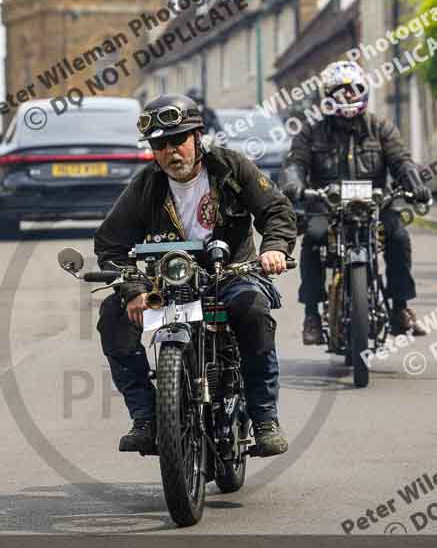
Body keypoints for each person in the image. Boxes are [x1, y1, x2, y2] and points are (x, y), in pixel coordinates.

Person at [94, 93, 297, 456]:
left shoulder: (231, 167)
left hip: (233, 276)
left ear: (197, 136)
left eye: (177, 141)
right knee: (113, 315)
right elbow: (110, 244)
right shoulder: (145, 186)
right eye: (159, 145)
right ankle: (145, 417)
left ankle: (264, 417)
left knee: (252, 309)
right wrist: (134, 288)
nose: (170, 151)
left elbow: (277, 210)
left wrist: (275, 248)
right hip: (169, 286)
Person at [280, 60, 432, 345]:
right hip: (328, 206)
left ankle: (400, 308)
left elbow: (402, 161)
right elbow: (295, 162)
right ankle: (312, 315)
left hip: (375, 206)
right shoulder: (311, 132)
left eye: (354, 89)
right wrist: (293, 182)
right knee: (312, 238)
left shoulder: (380, 127)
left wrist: (416, 184)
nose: (348, 96)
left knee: (398, 237)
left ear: (364, 91)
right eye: (340, 90)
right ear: (328, 95)